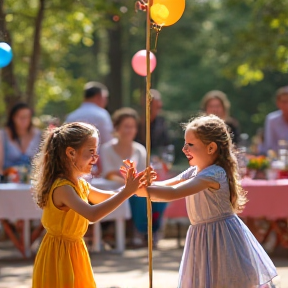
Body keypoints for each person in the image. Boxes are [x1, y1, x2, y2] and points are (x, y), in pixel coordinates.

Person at [133, 115, 277, 287]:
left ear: (211, 148)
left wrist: (134, 189)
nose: (184, 149)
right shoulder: (194, 171)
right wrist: (134, 185)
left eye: (190, 145)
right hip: (203, 238)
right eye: (185, 143)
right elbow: (161, 187)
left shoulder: (213, 174)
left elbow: (171, 192)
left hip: (222, 239)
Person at [31, 122, 144, 288]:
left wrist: (133, 186)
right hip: (59, 256)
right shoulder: (63, 188)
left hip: (75, 251)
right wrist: (127, 191)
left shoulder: (80, 184)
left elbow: (107, 197)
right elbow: (92, 214)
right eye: (91, 152)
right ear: (71, 153)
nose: (95, 158)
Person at [100, 107, 166, 246]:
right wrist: (129, 185)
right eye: (126, 126)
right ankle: (140, 232)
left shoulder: (139, 149)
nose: (130, 130)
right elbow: (109, 174)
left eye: (133, 127)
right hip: (116, 189)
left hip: (136, 187)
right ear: (117, 128)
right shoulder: (107, 149)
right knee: (138, 196)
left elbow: (144, 172)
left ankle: (152, 231)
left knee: (160, 195)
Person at [0, 102, 42, 255]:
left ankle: (27, 242)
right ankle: (22, 242)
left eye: (28, 117)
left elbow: (41, 160)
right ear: (13, 118)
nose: (25, 121)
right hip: (9, 180)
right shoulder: (3, 135)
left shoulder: (37, 134)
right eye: (21, 117)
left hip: (33, 181)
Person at [263, 85, 288, 153]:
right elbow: (269, 146)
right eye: (284, 102)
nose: (287, 105)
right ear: (278, 103)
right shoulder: (272, 119)